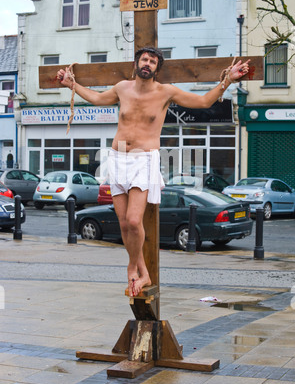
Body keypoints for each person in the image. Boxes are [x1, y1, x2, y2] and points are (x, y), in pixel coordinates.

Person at [57, 47, 250, 297]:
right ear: (137, 63)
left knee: (135, 221)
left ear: (157, 68)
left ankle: (134, 267)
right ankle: (141, 269)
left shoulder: (165, 92)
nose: (147, 63)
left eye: (153, 61)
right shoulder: (121, 88)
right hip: (117, 159)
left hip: (143, 160)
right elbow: (95, 98)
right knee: (124, 223)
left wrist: (227, 80)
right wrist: (71, 85)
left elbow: (202, 102)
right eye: (144, 59)